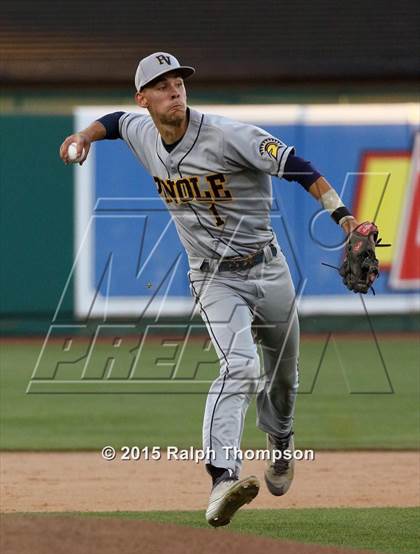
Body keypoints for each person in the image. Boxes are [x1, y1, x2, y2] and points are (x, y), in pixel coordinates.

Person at [60, 52, 360, 527]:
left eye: (178, 81)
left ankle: (280, 444)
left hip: (268, 268)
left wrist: (345, 218)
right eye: (161, 85)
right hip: (212, 277)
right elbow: (115, 122)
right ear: (145, 98)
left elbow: (299, 167)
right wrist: (83, 135)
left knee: (283, 379)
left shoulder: (229, 135)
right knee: (238, 366)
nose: (174, 90)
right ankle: (223, 478)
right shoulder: (142, 131)